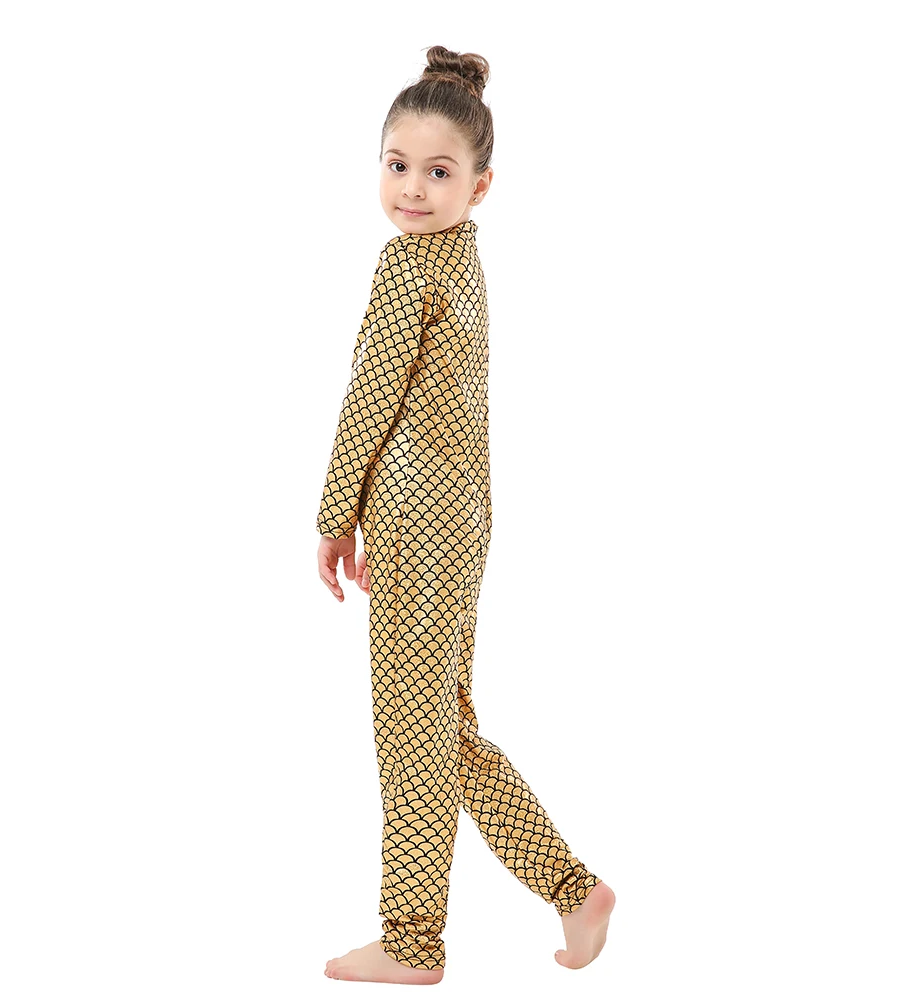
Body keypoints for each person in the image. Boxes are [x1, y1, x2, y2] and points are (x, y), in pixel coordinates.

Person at [316, 45, 615, 985]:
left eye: (439, 172)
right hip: (461, 516)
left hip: (415, 517)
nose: (412, 188)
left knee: (417, 735)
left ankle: (415, 942)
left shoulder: (410, 266)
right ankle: (571, 889)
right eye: (397, 164)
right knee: (441, 725)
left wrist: (335, 514)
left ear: (481, 186)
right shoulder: (460, 258)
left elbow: (371, 397)